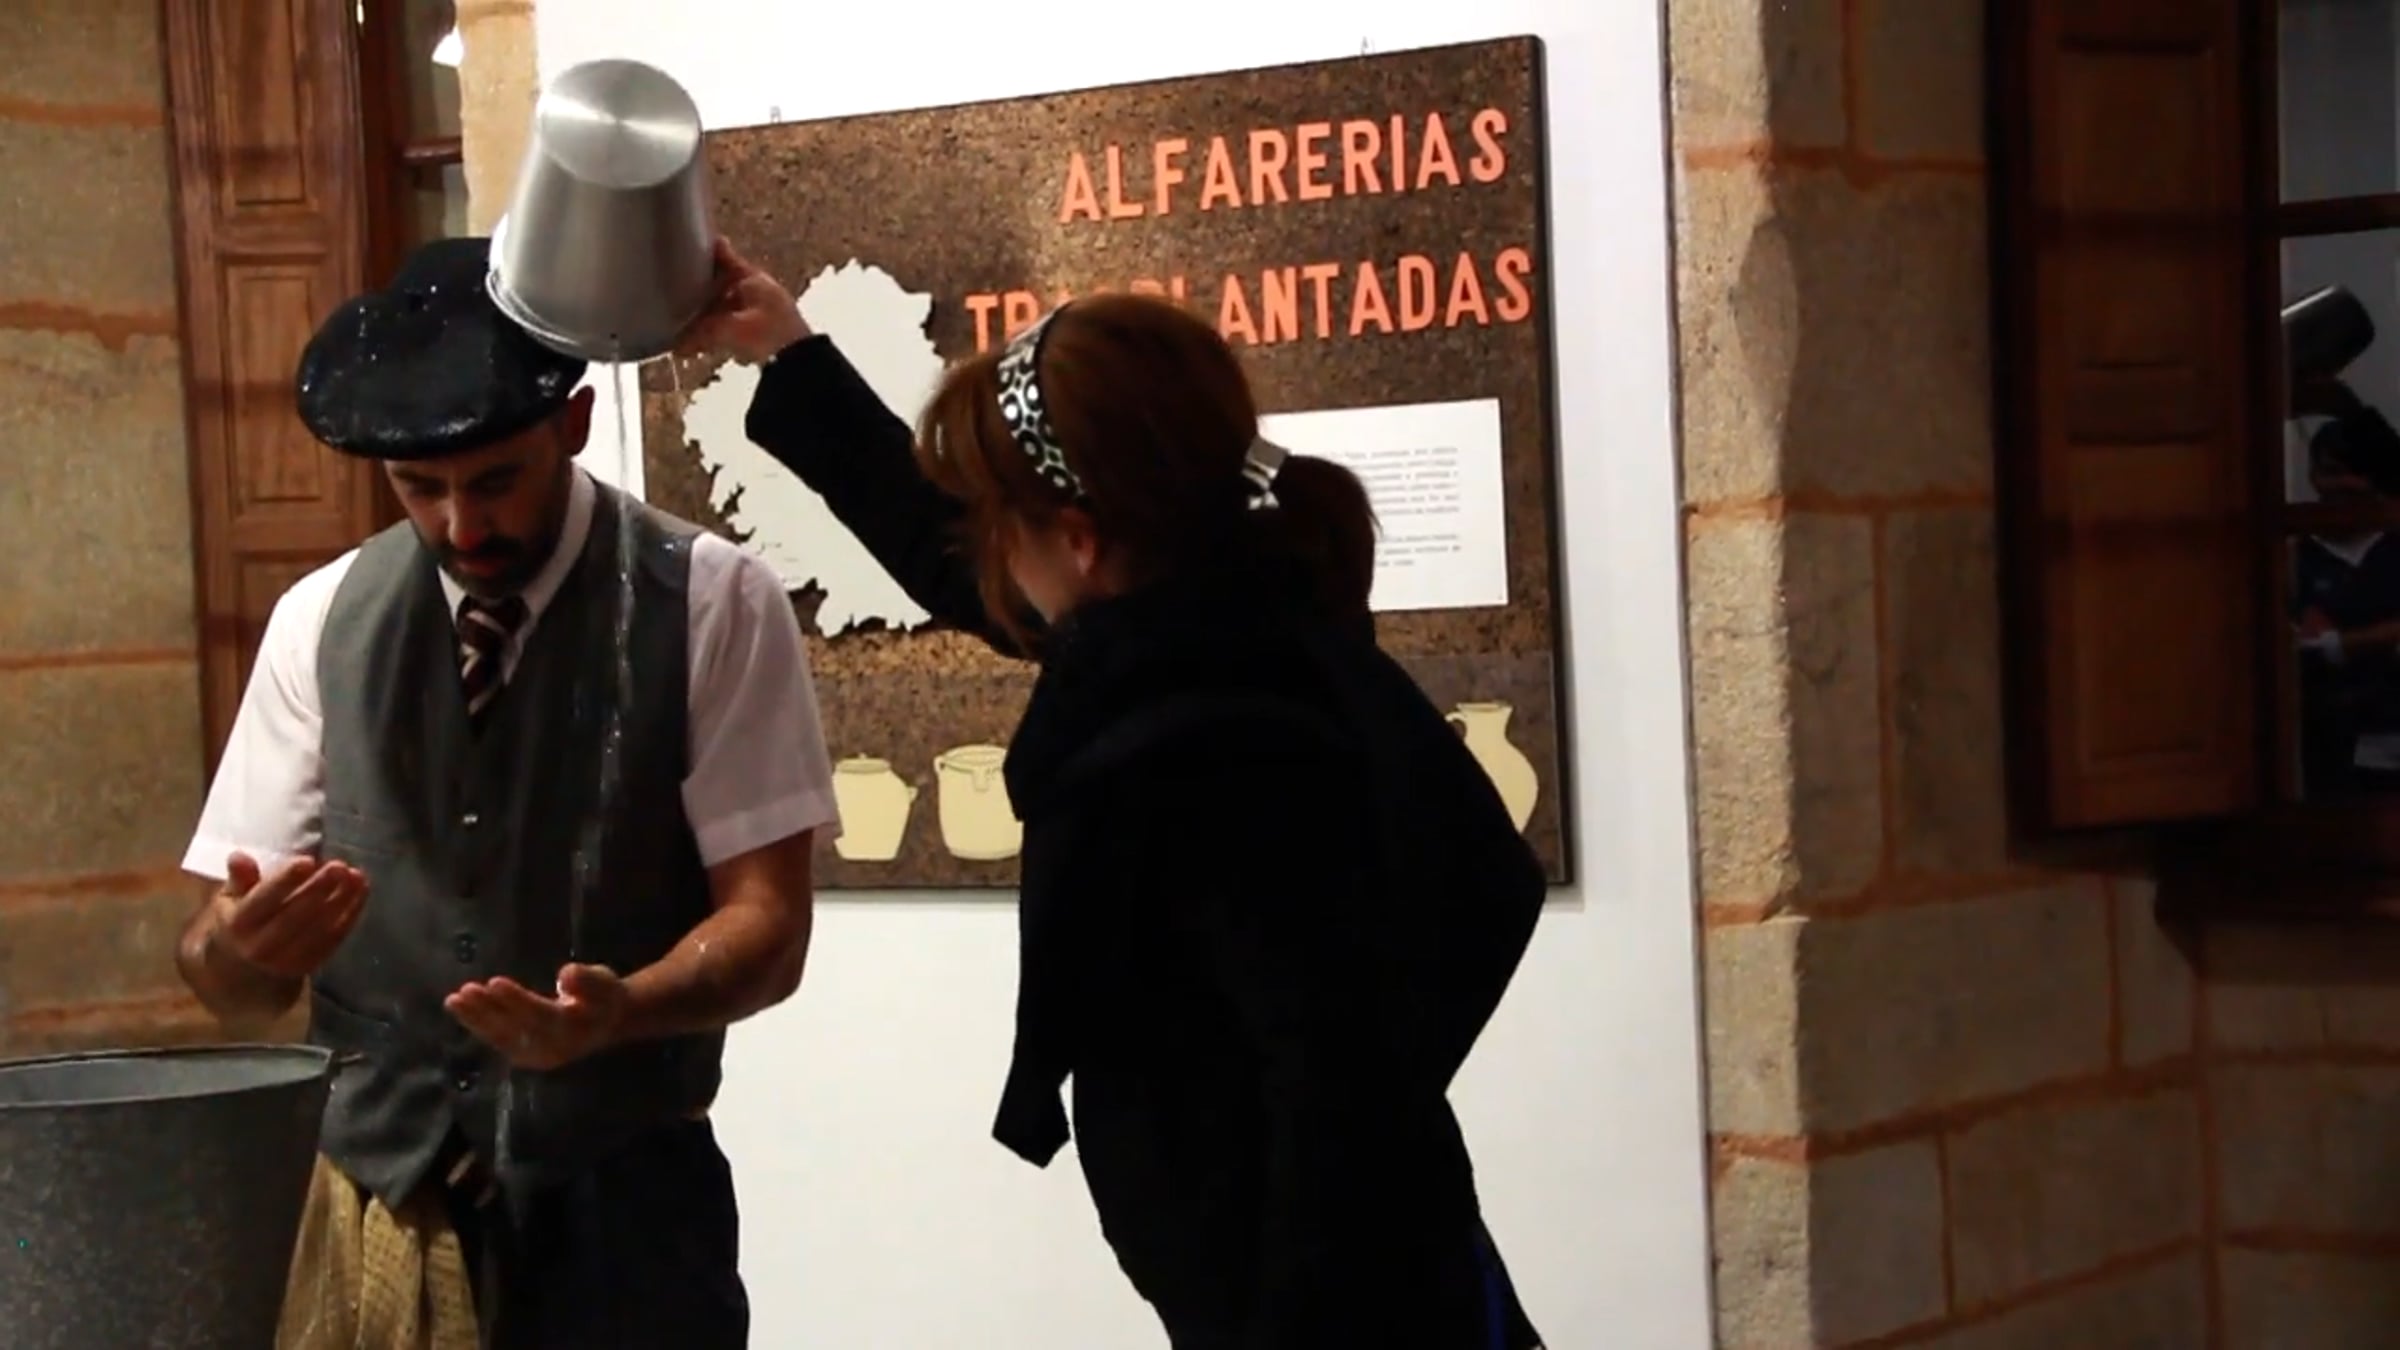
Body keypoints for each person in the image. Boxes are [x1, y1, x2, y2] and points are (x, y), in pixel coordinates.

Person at [682, 239, 1549, 1349]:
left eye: (1002, 524)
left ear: (1081, 543)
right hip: (1357, 1270)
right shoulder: (1219, 620)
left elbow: (1334, 1096)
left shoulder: (1214, 749)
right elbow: (960, 562)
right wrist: (791, 356)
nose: (989, 560)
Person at [174, 235, 839, 1349]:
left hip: (628, 1218)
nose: (461, 526)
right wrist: (243, 950)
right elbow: (222, 984)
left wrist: (626, 1009)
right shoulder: (319, 621)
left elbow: (770, 931)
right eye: (419, 490)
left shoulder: (710, 602)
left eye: (494, 481)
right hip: (383, 1209)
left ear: (572, 425)